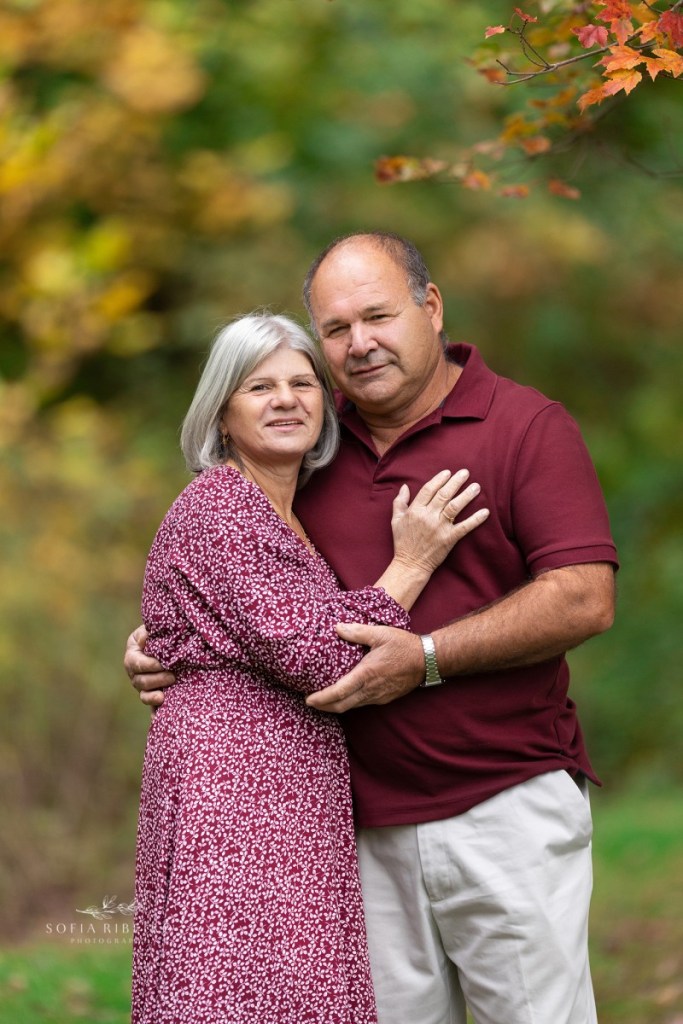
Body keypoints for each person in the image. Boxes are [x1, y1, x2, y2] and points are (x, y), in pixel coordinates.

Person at [126, 233, 618, 1024]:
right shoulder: (309, 449)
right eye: (335, 329)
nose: (359, 345)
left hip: (501, 803)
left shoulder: (524, 424)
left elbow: (582, 598)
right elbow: (240, 584)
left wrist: (424, 657)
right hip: (353, 827)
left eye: (378, 317)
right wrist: (163, 648)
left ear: (430, 308)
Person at [130, 309, 488, 1024]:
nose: (287, 399)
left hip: (284, 789)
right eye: (260, 387)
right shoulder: (222, 505)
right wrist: (411, 565)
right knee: (238, 988)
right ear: (221, 414)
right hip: (233, 792)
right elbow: (317, 657)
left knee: (287, 986)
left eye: (302, 383)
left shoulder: (285, 508)